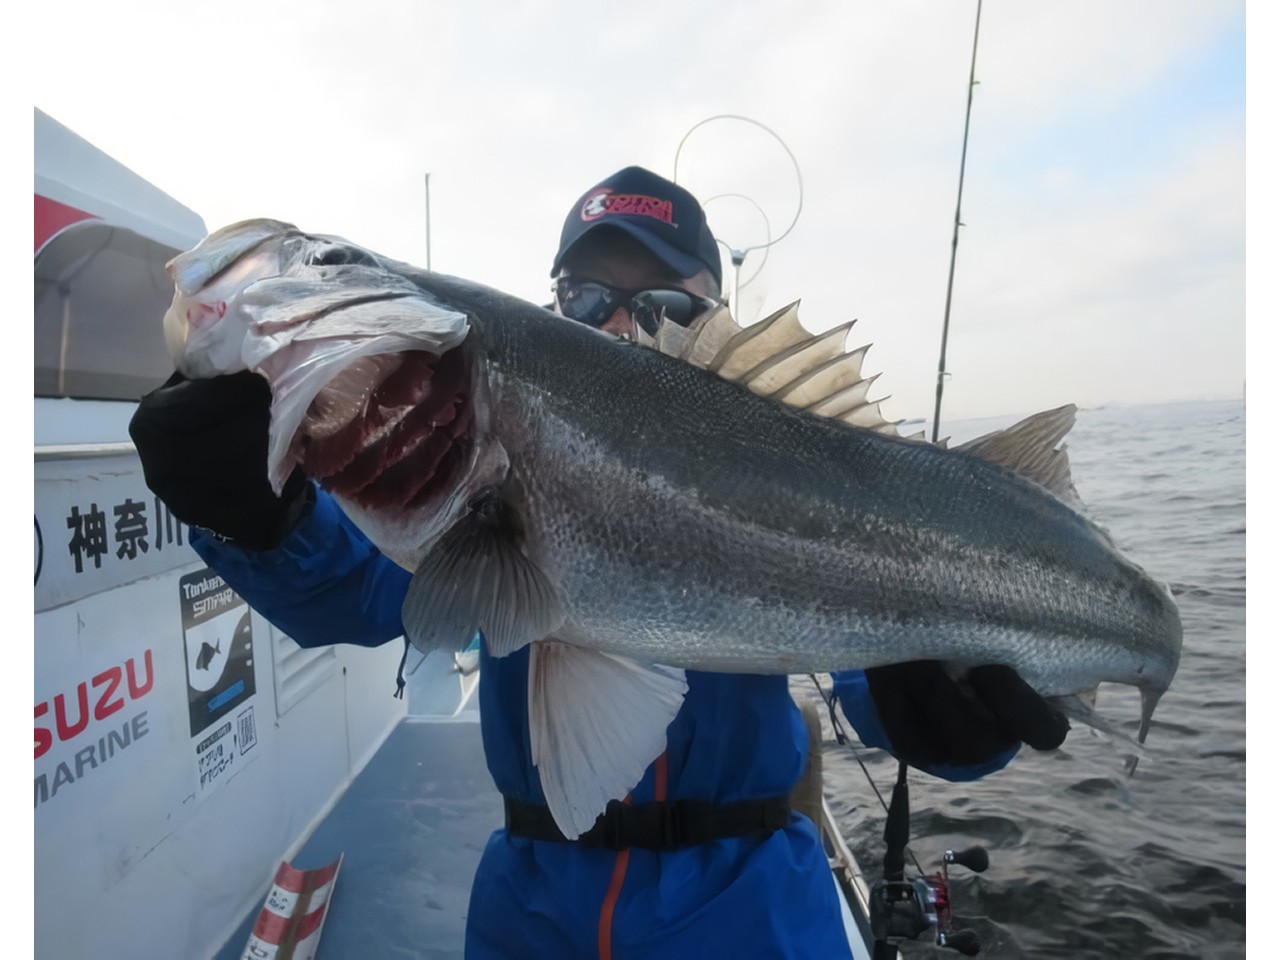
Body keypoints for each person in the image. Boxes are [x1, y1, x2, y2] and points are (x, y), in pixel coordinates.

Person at [129, 166, 1067, 959]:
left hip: (751, 909)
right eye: (587, 297)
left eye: (662, 303)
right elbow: (356, 594)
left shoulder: (800, 477)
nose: (620, 321)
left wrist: (961, 713)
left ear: (714, 320)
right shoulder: (476, 464)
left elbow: (883, 682)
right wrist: (259, 518)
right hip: (532, 902)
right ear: (552, 308)